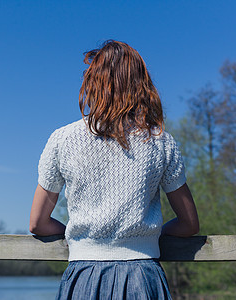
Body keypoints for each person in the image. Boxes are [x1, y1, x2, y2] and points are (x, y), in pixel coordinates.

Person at [29, 40, 199, 300]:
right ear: (140, 84)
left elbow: (38, 223)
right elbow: (189, 223)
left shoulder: (62, 139)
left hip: (84, 275)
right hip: (143, 275)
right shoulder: (160, 141)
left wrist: (82, 238)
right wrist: (147, 237)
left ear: (93, 82)